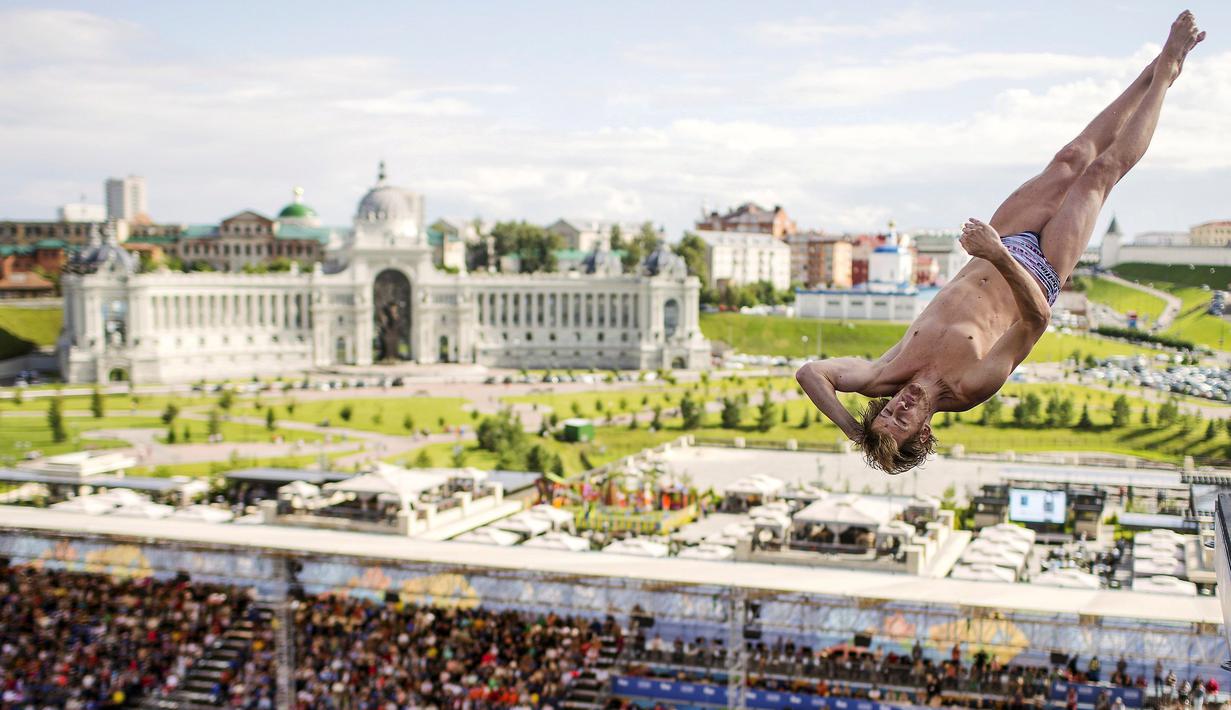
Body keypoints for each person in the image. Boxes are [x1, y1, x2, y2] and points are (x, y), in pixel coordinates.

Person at [796, 11, 1206, 473]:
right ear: (925, 432)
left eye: (888, 413)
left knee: (1071, 156)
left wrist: (860, 435)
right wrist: (997, 254)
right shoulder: (971, 387)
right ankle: (1168, 74)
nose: (900, 408)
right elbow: (1036, 320)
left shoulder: (881, 376)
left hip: (1000, 240)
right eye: (904, 420)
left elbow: (810, 373)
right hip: (1038, 269)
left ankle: (1154, 72)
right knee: (1098, 176)